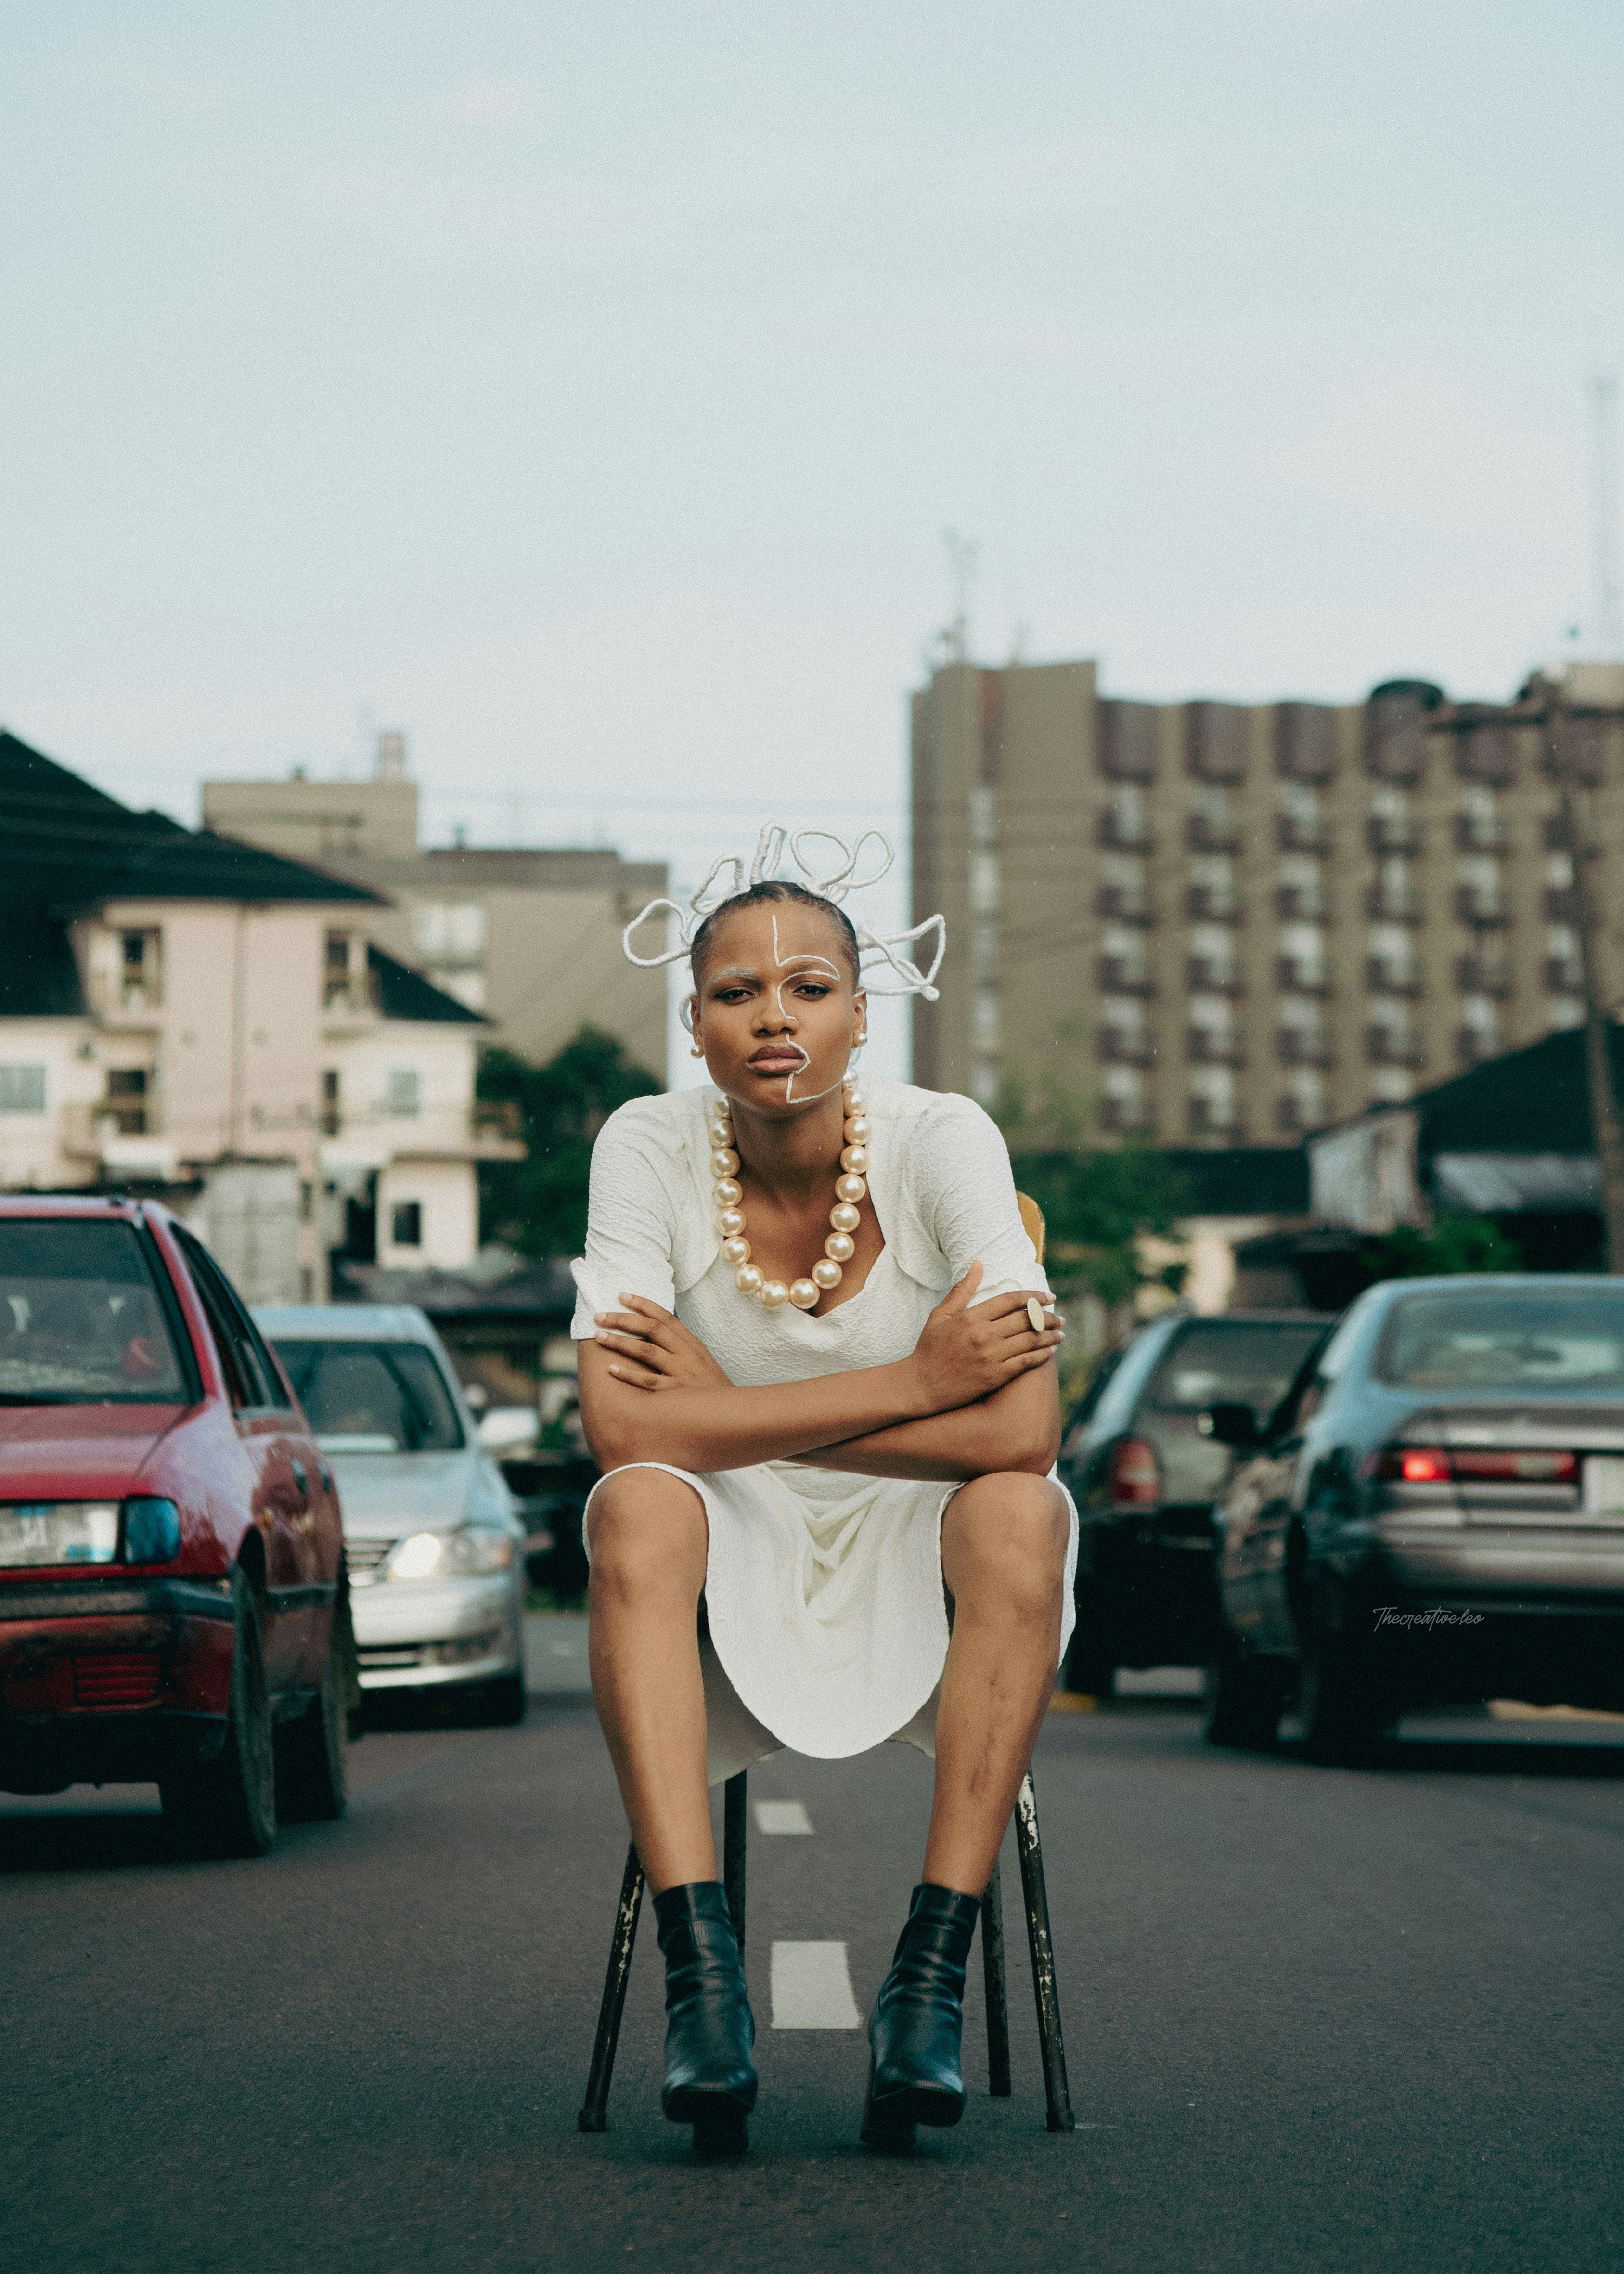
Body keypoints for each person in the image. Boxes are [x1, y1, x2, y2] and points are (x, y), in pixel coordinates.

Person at [571, 829, 1076, 2156]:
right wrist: (923, 1378)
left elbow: (1024, 1426)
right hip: (731, 1526)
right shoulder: (646, 1144)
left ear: (864, 1011)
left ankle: (927, 1989)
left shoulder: (943, 1138)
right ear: (695, 1021)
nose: (774, 1016)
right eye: (738, 992)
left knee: (1021, 1511)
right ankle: (705, 1987)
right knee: (638, 1502)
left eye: (810, 988)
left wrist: (730, 1417)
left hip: (922, 1528)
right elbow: (623, 1424)